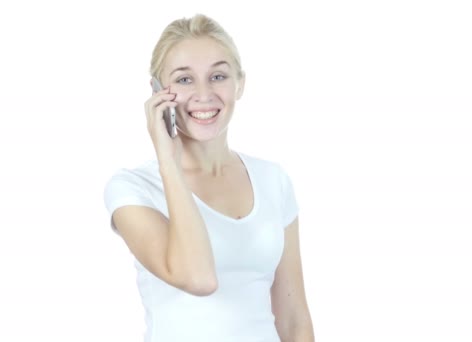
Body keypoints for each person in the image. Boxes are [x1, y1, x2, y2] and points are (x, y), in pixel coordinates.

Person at [103, 14, 314, 341]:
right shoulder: (133, 189)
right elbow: (198, 278)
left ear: (240, 84)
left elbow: (294, 320)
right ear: (157, 91)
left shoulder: (273, 180)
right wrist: (169, 163)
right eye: (184, 80)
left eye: (218, 76)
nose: (204, 94)